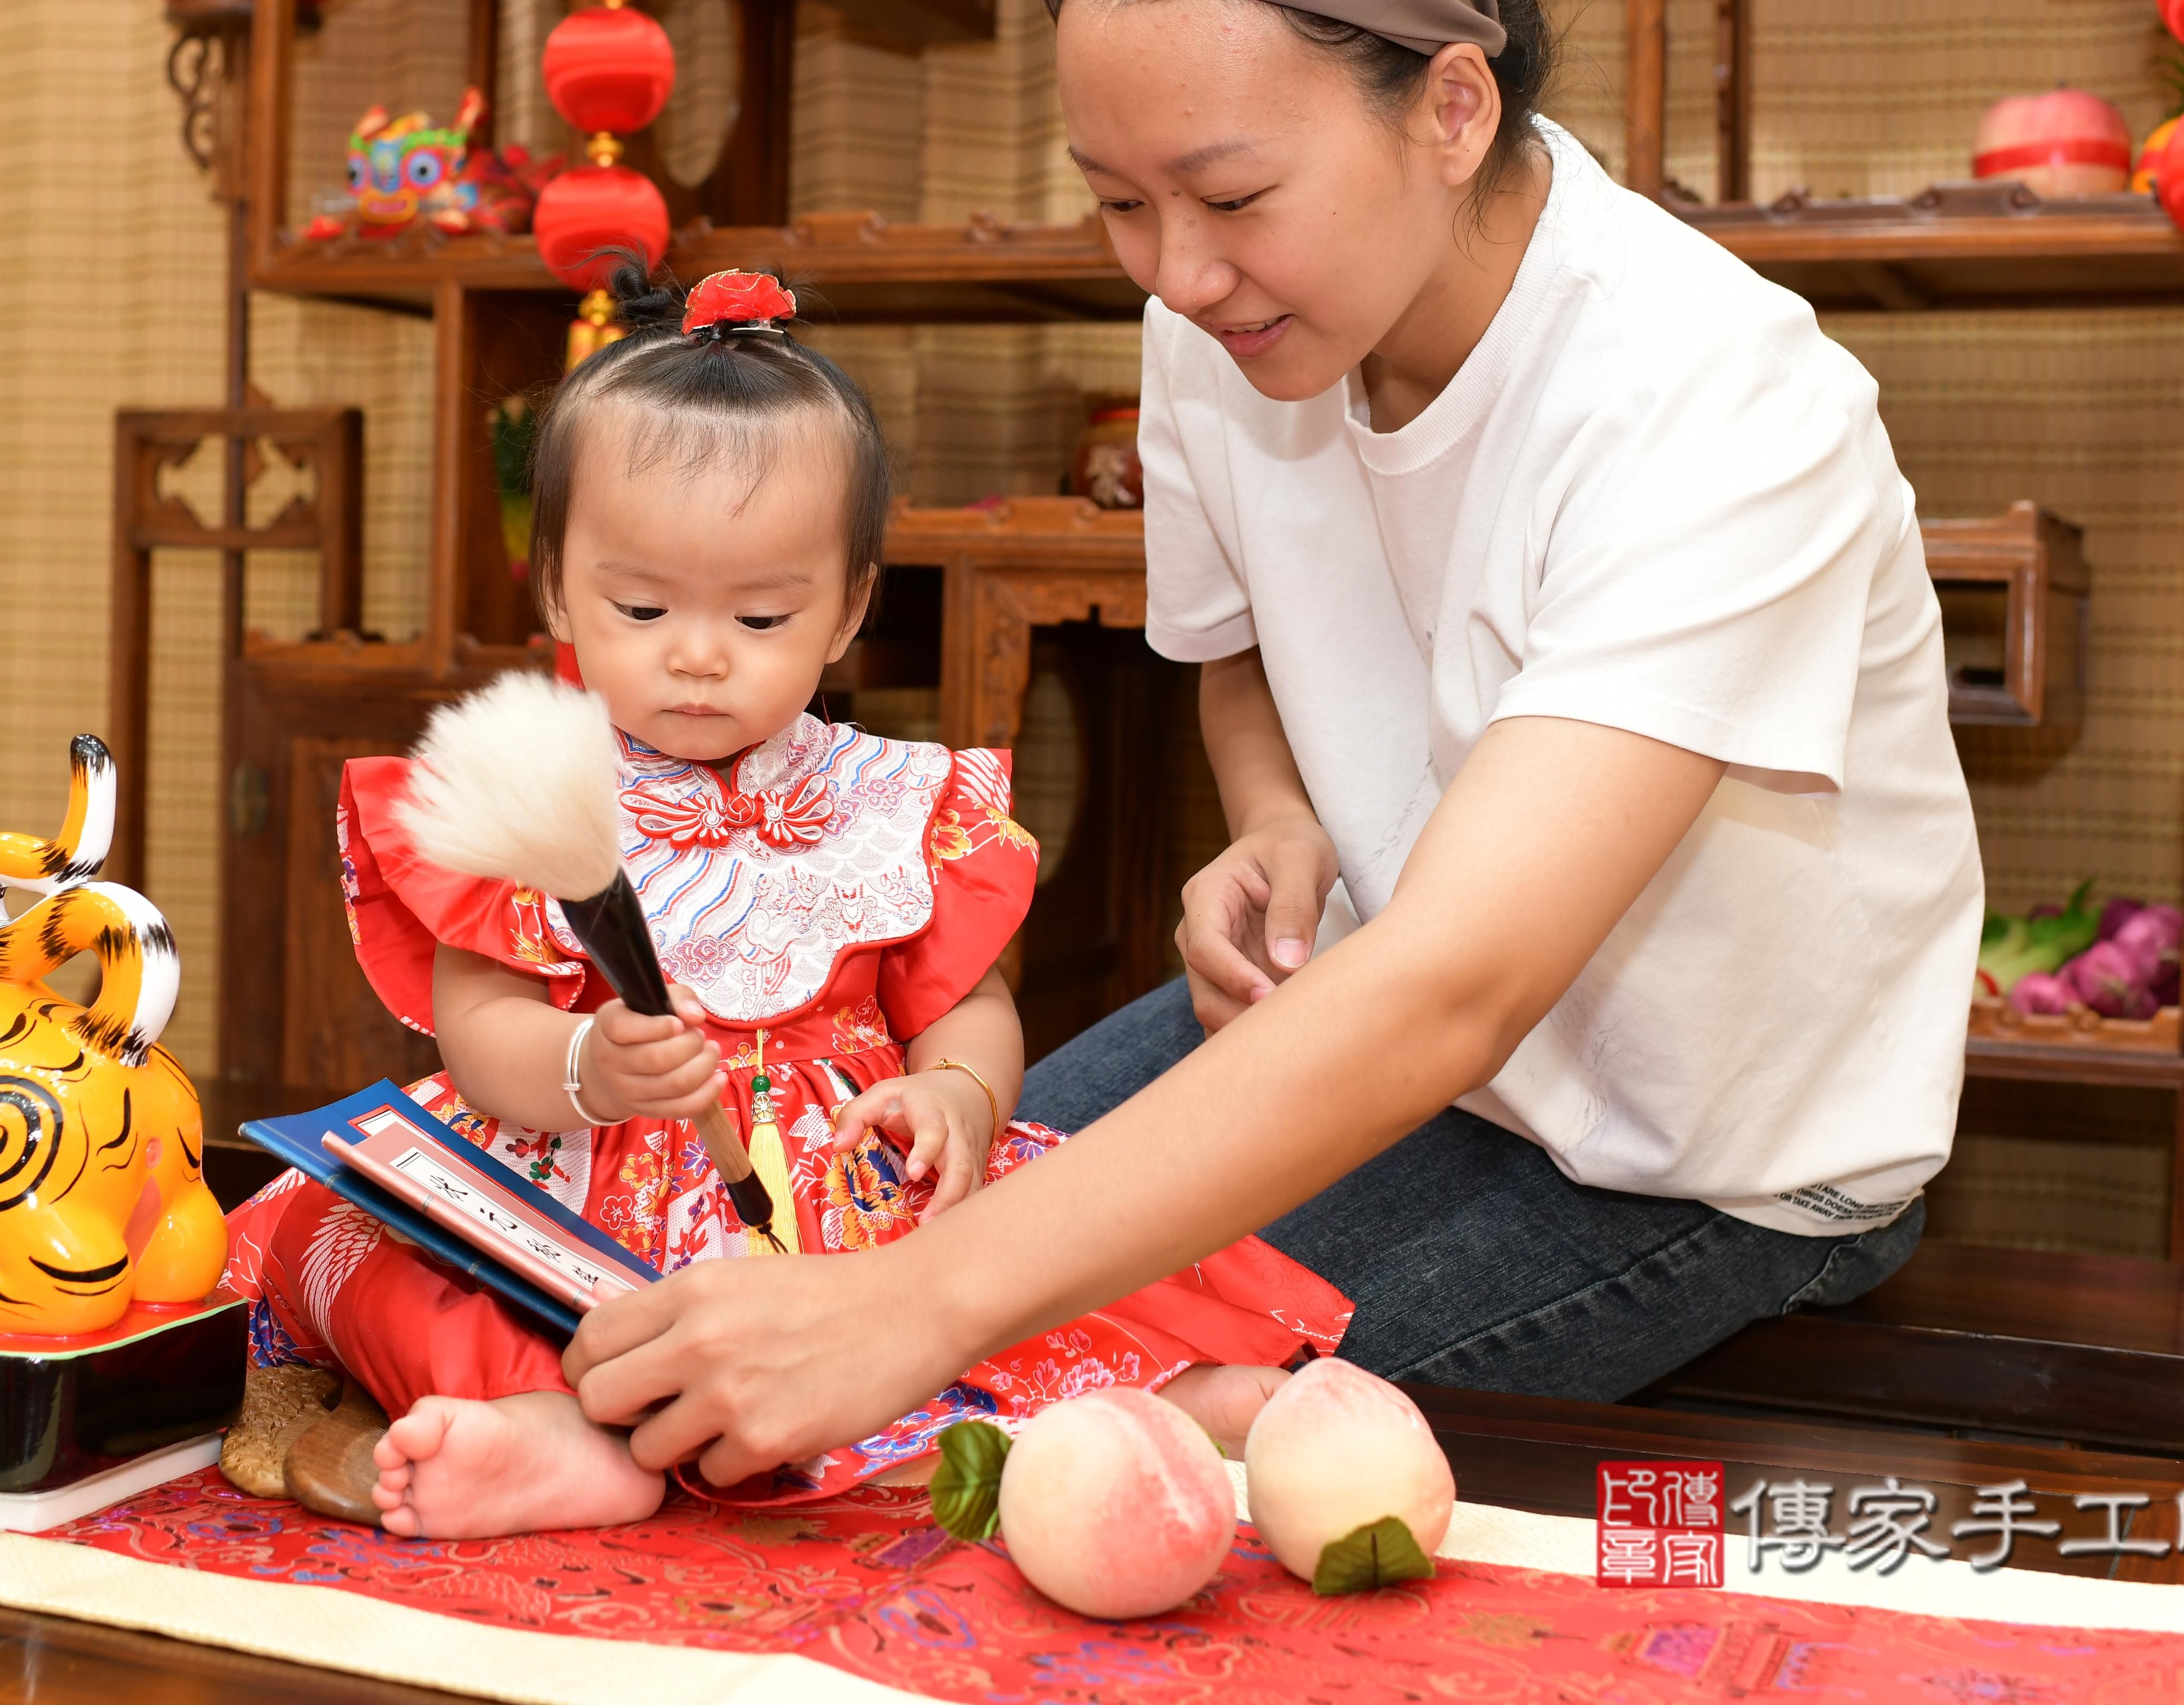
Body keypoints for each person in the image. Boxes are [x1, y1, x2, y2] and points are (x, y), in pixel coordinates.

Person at [564, 0, 1982, 1485]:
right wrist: (1273, 813)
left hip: (1694, 1147)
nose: (1177, 269)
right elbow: (1237, 649)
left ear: (1451, 107)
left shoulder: (1713, 395)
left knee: (1026, 1435)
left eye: (1229, 194)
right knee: (824, 1234)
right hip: (1376, 1009)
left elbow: (1463, 976)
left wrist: (921, 1317)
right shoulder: (1226, 319)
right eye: (1119, 201)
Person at [222, 266, 1349, 1539]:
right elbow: (476, 1029)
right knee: (366, 1247)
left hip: (840, 1203)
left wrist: (960, 1096)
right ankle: (579, 1431)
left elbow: (968, 1006)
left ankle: (1144, 1399)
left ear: (851, 609)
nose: (698, 652)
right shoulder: (524, 782)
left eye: (762, 614)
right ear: (555, 590)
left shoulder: (894, 799)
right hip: (578, 1190)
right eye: (639, 607)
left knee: (1048, 1270)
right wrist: (588, 1060)